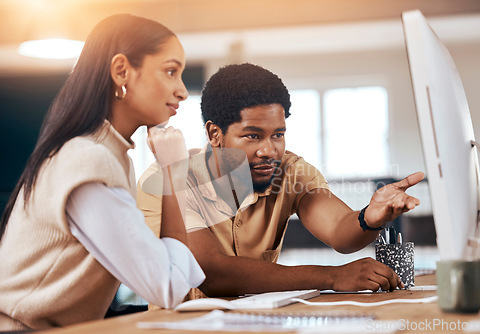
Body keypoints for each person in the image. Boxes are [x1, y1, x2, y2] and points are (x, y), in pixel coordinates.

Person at [137, 63, 423, 299]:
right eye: (253, 136)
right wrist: (333, 276)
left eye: (277, 134)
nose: (269, 150)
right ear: (215, 134)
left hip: (258, 324)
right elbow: (212, 273)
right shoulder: (168, 177)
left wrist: (369, 218)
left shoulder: (291, 171)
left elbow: (339, 230)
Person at [0, 14, 205, 331]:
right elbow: (167, 286)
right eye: (170, 71)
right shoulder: (88, 160)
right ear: (122, 71)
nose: (181, 91)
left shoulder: (111, 155)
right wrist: (174, 173)